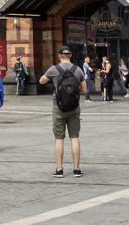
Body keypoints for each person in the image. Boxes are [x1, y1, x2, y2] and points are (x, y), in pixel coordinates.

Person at [38, 46, 86, 178]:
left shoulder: (54, 69)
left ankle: (59, 169)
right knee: (74, 137)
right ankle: (76, 169)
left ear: (59, 56)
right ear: (70, 55)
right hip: (74, 107)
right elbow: (84, 90)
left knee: (59, 139)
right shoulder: (78, 70)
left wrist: (51, 79)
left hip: (58, 107)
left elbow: (41, 81)